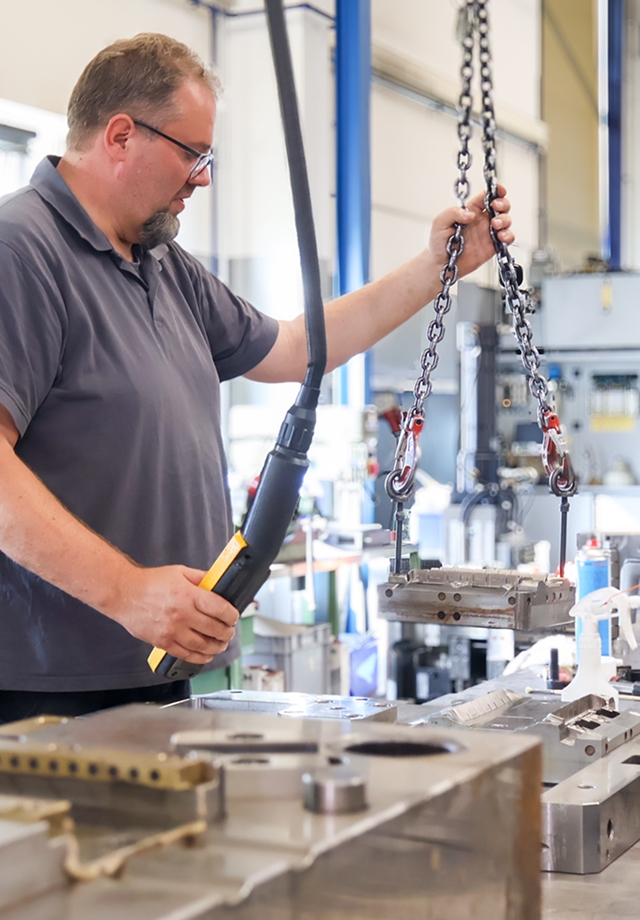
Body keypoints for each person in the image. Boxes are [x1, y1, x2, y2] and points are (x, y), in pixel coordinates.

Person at [0, 33, 513, 722]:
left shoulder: (161, 264)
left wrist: (437, 269)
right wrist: (128, 592)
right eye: (193, 154)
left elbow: (299, 347)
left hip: (157, 674)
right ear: (121, 135)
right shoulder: (23, 251)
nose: (203, 177)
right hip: (46, 695)